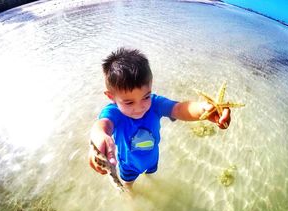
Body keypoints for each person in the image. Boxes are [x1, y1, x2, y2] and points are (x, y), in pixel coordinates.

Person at [89, 47, 231, 189]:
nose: (140, 107)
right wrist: (99, 137)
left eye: (146, 97)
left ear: (150, 86)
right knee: (128, 184)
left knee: (151, 175)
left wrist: (203, 110)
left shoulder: (155, 104)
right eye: (129, 102)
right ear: (111, 97)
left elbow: (179, 109)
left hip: (152, 158)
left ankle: (150, 181)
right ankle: (130, 196)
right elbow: (103, 125)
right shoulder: (114, 113)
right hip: (129, 164)